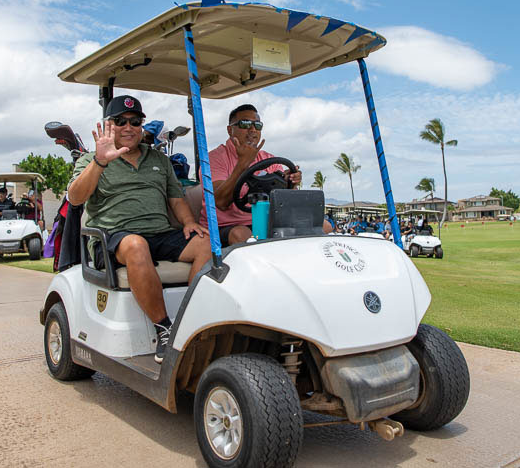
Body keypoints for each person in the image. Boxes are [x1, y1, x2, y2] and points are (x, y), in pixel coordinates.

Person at [67, 95, 211, 364]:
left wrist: (190, 222)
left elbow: (176, 199)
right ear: (108, 125)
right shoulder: (91, 159)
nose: (128, 127)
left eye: (135, 121)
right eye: (120, 121)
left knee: (205, 242)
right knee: (135, 244)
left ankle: (189, 321)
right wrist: (100, 162)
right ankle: (164, 328)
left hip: (158, 232)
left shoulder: (158, 159)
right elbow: (75, 198)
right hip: (112, 237)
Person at [200, 104, 335, 245]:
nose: (252, 129)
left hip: (265, 222)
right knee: (242, 235)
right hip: (225, 226)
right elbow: (220, 202)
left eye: (257, 125)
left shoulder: (269, 159)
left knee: (325, 226)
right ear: (230, 130)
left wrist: (290, 183)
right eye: (245, 124)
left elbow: (284, 202)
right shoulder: (213, 159)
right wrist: (242, 165)